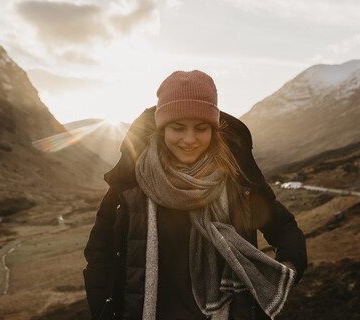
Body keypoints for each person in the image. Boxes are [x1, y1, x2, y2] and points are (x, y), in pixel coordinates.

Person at [83, 70, 307, 320]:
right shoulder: (129, 186)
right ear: (162, 129)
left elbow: (283, 227)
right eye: (178, 128)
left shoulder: (237, 181)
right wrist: (104, 312)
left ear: (213, 130)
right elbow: (99, 256)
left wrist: (289, 267)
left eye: (201, 128)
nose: (189, 139)